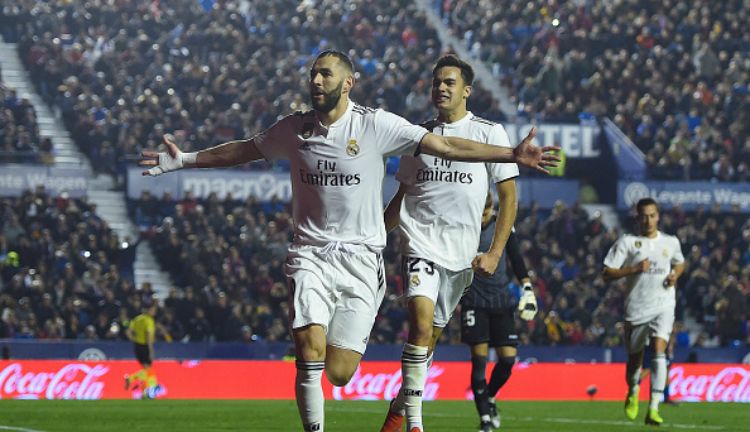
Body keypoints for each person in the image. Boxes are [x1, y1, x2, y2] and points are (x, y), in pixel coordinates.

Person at [140, 50, 558, 432]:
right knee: (310, 346)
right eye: (312, 74)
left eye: (325, 74)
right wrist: (187, 159)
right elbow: (245, 150)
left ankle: (398, 402)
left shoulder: (376, 125)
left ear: (347, 82)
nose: (316, 81)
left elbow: (445, 145)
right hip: (312, 252)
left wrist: (509, 155)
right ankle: (393, 423)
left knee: (340, 371)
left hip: (364, 259)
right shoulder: (294, 128)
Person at [380, 55, 539, 432]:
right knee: (419, 327)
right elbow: (402, 195)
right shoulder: (416, 136)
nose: (441, 88)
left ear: (466, 90)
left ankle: (399, 408)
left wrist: (496, 252)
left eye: (449, 82)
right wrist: (373, 237)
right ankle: (415, 424)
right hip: (418, 242)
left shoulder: (489, 133)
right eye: (436, 82)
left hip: (462, 257)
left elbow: (509, 199)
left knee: (429, 340)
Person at [602, 197, 685, 426]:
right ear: (637, 218)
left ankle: (654, 407)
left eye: (652, 215)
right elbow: (607, 273)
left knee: (660, 351)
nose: (648, 220)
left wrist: (675, 275)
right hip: (637, 308)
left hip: (664, 305)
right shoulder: (627, 243)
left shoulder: (671, 242)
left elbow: (680, 262)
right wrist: (634, 269)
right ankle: (633, 388)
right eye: (644, 216)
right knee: (635, 361)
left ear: (658, 216)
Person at [462, 194, 537, 432]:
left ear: (492, 207)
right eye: (481, 210)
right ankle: (485, 419)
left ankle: (490, 397)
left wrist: (527, 287)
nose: (484, 215)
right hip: (474, 301)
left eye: (487, 210)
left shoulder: (502, 225)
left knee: (507, 360)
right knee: (479, 363)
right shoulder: (464, 227)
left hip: (501, 300)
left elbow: (515, 257)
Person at [124, 303, 160, 398]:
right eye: (153, 310)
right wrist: (151, 349)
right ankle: (134, 381)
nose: (154, 312)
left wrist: (134, 340)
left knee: (147, 370)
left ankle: (146, 391)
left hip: (137, 346)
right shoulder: (149, 320)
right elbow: (148, 335)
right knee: (148, 370)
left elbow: (127, 331)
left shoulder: (137, 319)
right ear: (148, 310)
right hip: (145, 346)